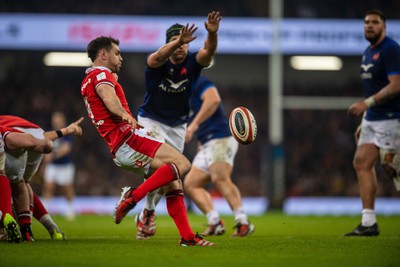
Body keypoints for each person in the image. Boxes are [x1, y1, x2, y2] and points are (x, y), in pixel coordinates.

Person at [81, 36, 214, 246]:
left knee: (173, 181)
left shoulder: (88, 79)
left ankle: (187, 237)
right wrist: (123, 114)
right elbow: (108, 98)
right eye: (117, 53)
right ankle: (133, 198)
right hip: (128, 139)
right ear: (103, 55)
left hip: (120, 146)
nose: (121, 58)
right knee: (183, 164)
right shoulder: (101, 75)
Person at [134, 11, 222, 240]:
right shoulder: (157, 63)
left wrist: (213, 34)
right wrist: (176, 43)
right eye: (176, 41)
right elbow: (153, 58)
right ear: (169, 43)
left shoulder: (193, 62)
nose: (182, 46)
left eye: (184, 41)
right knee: (156, 169)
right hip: (150, 119)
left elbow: (208, 53)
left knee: (169, 175)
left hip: (177, 125)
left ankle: (147, 211)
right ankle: (147, 211)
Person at [346, 9, 400, 237]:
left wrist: (367, 104)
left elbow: (396, 85)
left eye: (374, 23)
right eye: (366, 22)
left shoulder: (391, 49)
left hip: (392, 118)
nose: (369, 26)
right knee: (361, 162)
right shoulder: (368, 52)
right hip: (373, 119)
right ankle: (368, 222)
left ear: (384, 27)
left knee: (393, 170)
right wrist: (366, 119)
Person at [184, 76, 254, 237]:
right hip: (206, 142)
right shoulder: (181, 94)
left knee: (220, 179)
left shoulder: (197, 82)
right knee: (191, 184)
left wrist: (194, 126)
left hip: (220, 138)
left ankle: (243, 222)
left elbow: (214, 100)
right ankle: (214, 221)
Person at [0, 115, 83, 241]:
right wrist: (65, 131)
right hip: (36, 135)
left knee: (14, 182)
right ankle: (35, 229)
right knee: (23, 182)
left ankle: (7, 219)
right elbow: (40, 136)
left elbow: (11, 136)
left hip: (18, 138)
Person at [42, 111, 77, 221]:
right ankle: (45, 210)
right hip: (52, 166)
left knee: (67, 188)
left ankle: (70, 210)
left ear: (63, 121)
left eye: (58, 120)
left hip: (65, 165)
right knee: (48, 187)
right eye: (55, 120)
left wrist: (52, 156)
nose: (56, 122)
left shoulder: (67, 133)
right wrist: (44, 160)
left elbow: (66, 149)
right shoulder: (50, 133)